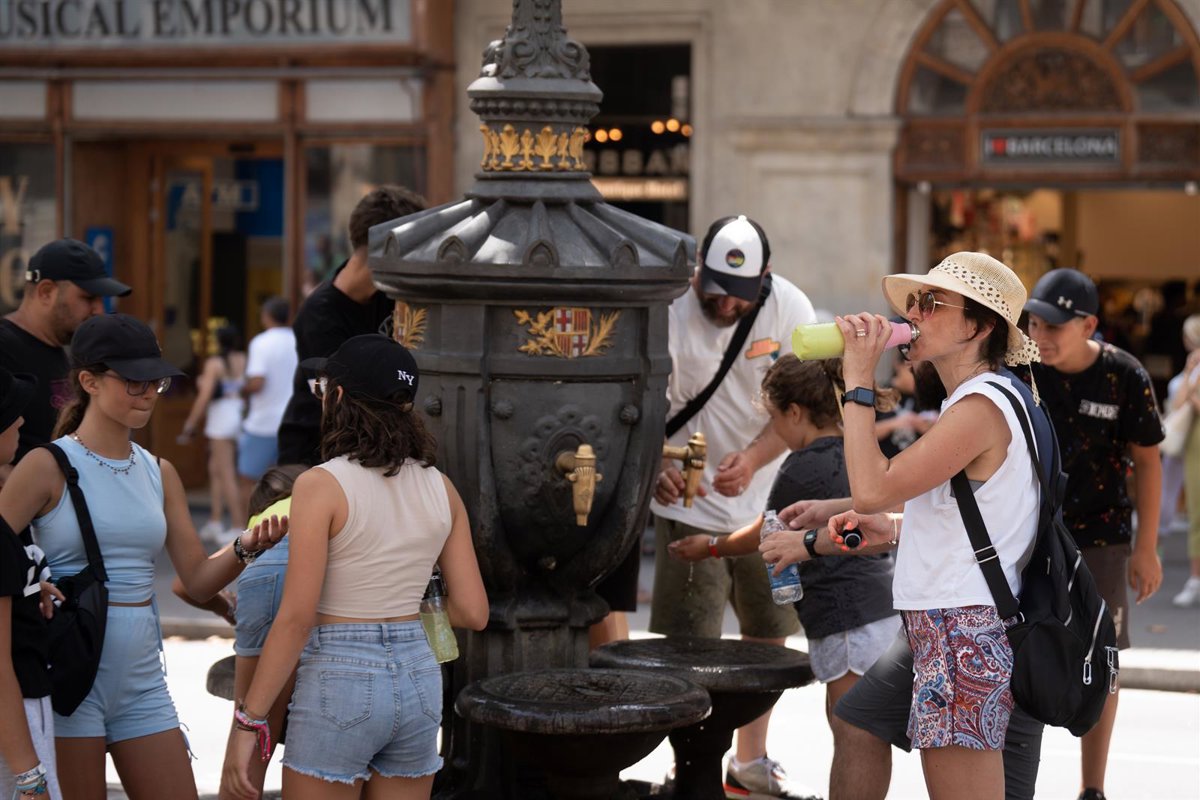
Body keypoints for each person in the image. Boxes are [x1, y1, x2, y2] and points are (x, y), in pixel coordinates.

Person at [0, 313, 285, 800]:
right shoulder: (46, 464)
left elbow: (197, 579)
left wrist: (247, 545)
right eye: (134, 381)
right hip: (71, 671)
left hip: (142, 678)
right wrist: (32, 580)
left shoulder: (159, 470)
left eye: (156, 380)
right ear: (89, 381)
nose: (150, 392)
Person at [799, 252, 1043, 799]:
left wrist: (857, 378)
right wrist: (880, 524)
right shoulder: (995, 397)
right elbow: (972, 516)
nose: (913, 314)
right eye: (914, 301)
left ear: (979, 326)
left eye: (931, 303)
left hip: (962, 627)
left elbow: (873, 487)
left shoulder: (981, 406)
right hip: (969, 621)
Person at [222, 334, 488, 800]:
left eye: (323, 388)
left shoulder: (321, 484)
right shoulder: (441, 488)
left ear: (339, 396)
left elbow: (296, 618)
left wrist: (250, 721)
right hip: (420, 676)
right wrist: (396, 610)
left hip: (340, 676)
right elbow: (473, 612)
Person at [651, 215, 817, 798]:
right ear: (698, 268)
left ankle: (750, 760)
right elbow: (640, 401)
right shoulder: (668, 304)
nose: (724, 303)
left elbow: (805, 406)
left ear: (765, 277)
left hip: (771, 505)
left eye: (738, 294)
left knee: (769, 637)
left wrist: (752, 458)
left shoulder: (791, 308)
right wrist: (658, 465)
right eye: (715, 288)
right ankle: (688, 763)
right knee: (686, 644)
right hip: (686, 503)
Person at [669, 355, 900, 747]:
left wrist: (710, 547)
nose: (774, 430)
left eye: (774, 418)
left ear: (795, 412)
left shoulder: (802, 466)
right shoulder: (861, 452)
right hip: (878, 609)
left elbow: (766, 531)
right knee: (866, 734)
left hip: (845, 618)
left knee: (854, 739)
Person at [1024, 268, 1164, 800]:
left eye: (1054, 326)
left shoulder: (1124, 375)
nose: (1041, 336)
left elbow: (1148, 463)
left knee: (1102, 662)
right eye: (1035, 323)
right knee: (1024, 649)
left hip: (1103, 536)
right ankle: (1016, 782)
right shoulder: (1021, 369)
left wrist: (1146, 549)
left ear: (1088, 326)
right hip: (1031, 533)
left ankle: (1092, 788)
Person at [277, 186, 428, 467]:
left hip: (370, 451)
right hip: (315, 456)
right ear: (388, 247)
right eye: (413, 248)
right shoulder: (319, 315)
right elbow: (336, 405)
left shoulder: (392, 297)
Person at [0, 239, 131, 473]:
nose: (99, 310)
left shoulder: (62, 352)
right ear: (46, 292)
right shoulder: (4, 346)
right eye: (88, 298)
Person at [0, 366, 59, 800]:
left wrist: (24, 587)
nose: (22, 419)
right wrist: (29, 777)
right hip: (13, 725)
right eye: (10, 412)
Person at [180, 324, 248, 543]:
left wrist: (190, 423)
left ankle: (237, 524)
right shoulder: (243, 359)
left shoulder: (214, 363)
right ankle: (215, 520)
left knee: (226, 472)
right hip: (238, 412)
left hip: (221, 418)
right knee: (215, 468)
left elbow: (204, 396)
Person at [238, 297, 297, 505]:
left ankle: (249, 522)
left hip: (263, 422)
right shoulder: (298, 339)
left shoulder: (261, 342)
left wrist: (241, 390)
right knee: (288, 480)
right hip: (292, 420)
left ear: (266, 317)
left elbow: (257, 382)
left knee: (248, 479)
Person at [1170, 316, 1200, 607]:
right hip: (1193, 445)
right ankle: (1195, 578)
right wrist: (1191, 373)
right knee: (1196, 511)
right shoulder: (1192, 366)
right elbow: (1177, 404)